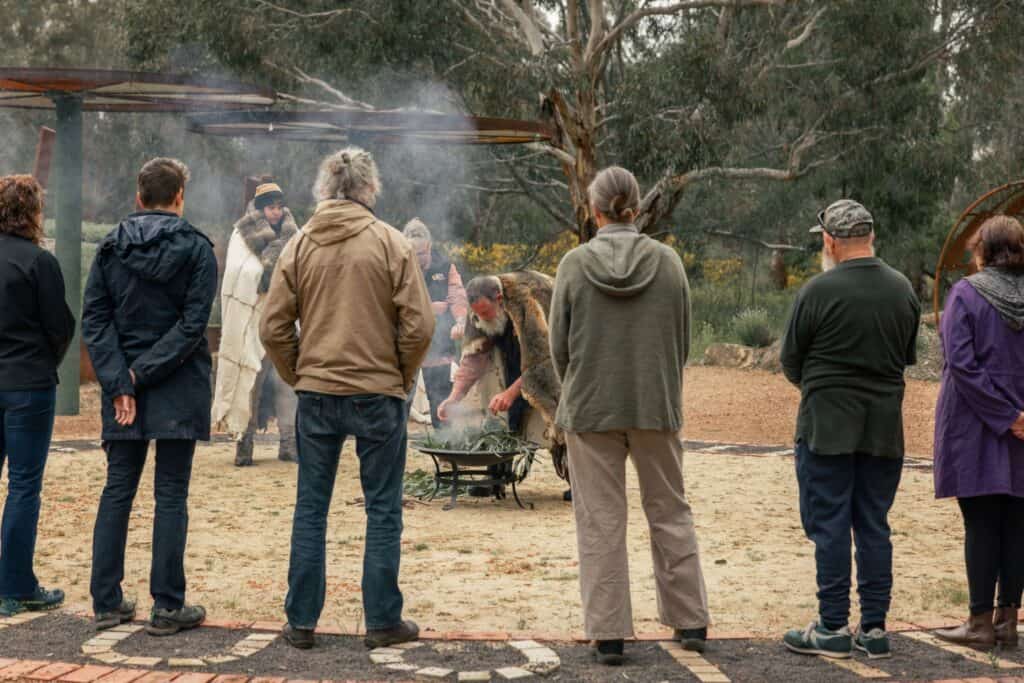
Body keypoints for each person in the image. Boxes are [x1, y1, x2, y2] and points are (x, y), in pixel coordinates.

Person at [260, 147, 434, 650]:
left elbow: (272, 327)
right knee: (382, 509)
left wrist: (299, 373)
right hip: (378, 394)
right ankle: (382, 621)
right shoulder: (391, 242)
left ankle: (301, 622)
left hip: (316, 394)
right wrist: (398, 374)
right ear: (368, 188)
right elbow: (420, 325)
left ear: (324, 188)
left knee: (310, 508)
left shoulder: (298, 246)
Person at [549, 166, 709, 665]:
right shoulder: (668, 264)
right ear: (636, 209)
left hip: (591, 406)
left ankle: (610, 633)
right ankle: (690, 621)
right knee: (670, 509)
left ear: (592, 210)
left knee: (600, 520)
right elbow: (682, 340)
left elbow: (558, 348)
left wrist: (579, 386)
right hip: (655, 403)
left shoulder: (574, 266)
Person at [82, 158, 217, 635]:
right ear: (179, 195)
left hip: (124, 387)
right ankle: (167, 604)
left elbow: (95, 322)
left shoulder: (108, 249)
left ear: (138, 197)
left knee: (118, 489)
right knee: (171, 494)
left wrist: (122, 382)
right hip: (177, 384)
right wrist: (137, 378)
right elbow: (191, 326)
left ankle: (106, 600)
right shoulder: (199, 251)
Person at [780, 199, 920, 660]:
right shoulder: (902, 290)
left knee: (831, 526)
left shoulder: (817, 291)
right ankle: (875, 628)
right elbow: (903, 357)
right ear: (871, 236)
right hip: (883, 430)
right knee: (874, 525)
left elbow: (791, 362)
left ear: (830, 241)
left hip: (826, 428)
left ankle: (832, 625)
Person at [932, 215, 1024, 649]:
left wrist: (1005, 416)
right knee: (1017, 523)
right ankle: (1008, 620)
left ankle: (980, 623)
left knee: (983, 524)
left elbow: (963, 367)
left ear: (983, 250)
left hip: (975, 428)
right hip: (1023, 428)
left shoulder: (966, 294)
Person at [0, 175, 75, 617]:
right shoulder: (38, 261)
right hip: (28, 383)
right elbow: (60, 327)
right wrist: (45, 358)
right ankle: (15, 586)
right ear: (33, 212)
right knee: (24, 485)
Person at [436, 272, 568, 499]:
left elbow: (543, 360)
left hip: (553, 352)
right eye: (477, 314)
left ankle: (575, 480)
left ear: (499, 299)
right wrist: (453, 397)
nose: (482, 318)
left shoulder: (528, 302)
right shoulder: (477, 309)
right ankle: (496, 476)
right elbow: (473, 355)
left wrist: (512, 392)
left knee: (556, 413)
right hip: (512, 351)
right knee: (497, 401)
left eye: (486, 312)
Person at [212, 182, 300, 466]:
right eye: (270, 207)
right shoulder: (243, 233)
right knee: (250, 382)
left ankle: (289, 442)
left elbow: (301, 269)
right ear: (261, 207)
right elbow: (239, 272)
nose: (275, 212)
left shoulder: (294, 234)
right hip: (252, 322)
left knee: (288, 383)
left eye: (278, 206)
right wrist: (265, 275)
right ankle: (244, 442)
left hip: (284, 320)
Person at [402, 218, 468, 428]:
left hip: (439, 348)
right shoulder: (399, 266)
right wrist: (429, 308)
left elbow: (457, 297)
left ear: (428, 246)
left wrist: (460, 320)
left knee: (441, 402)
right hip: (406, 348)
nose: (418, 259)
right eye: (413, 254)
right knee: (400, 405)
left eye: (421, 254)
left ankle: (446, 452)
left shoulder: (445, 266)